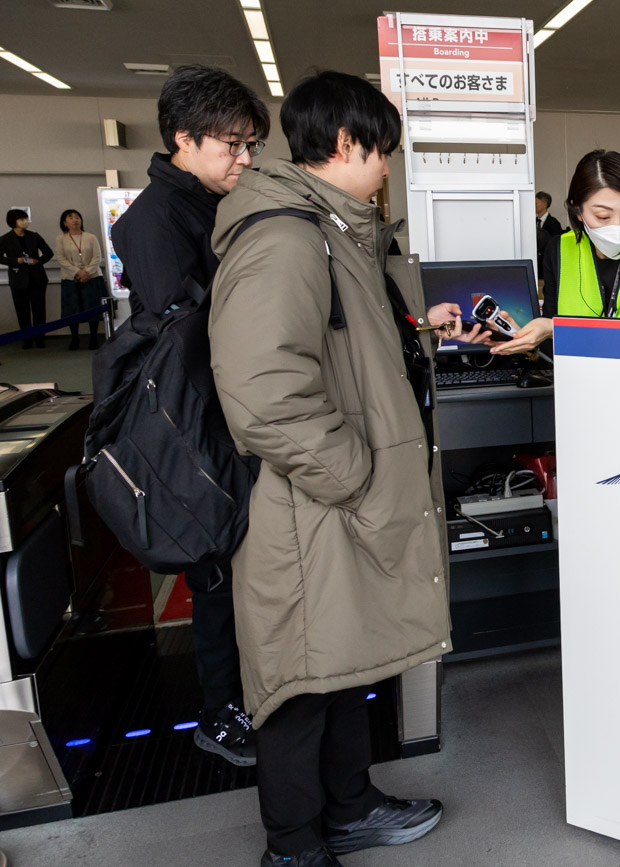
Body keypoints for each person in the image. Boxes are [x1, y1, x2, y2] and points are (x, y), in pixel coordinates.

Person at [208, 70, 464, 867]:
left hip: (331, 500)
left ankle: (350, 807)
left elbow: (350, 352)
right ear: (346, 144)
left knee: (345, 662)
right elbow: (262, 392)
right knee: (299, 683)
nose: (388, 165)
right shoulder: (285, 236)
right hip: (308, 503)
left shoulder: (337, 231)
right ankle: (292, 845)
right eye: (382, 150)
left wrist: (420, 329)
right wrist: (357, 475)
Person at [109, 64, 269, 767]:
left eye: (250, 145)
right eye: (231, 145)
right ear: (183, 137)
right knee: (213, 569)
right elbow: (182, 329)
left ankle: (249, 691)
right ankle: (220, 710)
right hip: (191, 416)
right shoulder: (152, 219)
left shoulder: (214, 201)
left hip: (232, 405)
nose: (244, 158)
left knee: (242, 563)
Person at [484, 149, 620, 355]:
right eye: (602, 216)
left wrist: (552, 329)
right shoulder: (560, 249)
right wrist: (524, 338)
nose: (618, 226)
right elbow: (552, 346)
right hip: (574, 378)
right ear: (578, 211)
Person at [0, 209, 54, 348]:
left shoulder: (34, 236)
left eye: (25, 218)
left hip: (37, 277)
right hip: (18, 279)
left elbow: (48, 253)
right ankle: (27, 339)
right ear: (14, 221)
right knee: (22, 310)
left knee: (39, 309)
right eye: (21, 219)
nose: (25, 221)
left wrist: (39, 261)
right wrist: (14, 261)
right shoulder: (5, 239)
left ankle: (40, 338)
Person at [54, 208, 106, 349]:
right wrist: (78, 272)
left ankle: (94, 338)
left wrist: (87, 272)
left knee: (92, 307)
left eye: (77, 217)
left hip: (92, 277)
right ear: (64, 223)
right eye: (70, 218)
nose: (75, 220)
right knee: (72, 310)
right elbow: (61, 258)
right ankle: (75, 338)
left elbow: (97, 257)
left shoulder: (90, 237)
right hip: (71, 278)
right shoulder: (61, 239)